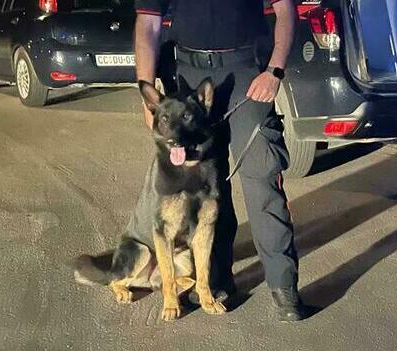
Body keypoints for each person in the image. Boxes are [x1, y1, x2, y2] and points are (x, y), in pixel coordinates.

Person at [129, 0, 307, 321]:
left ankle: (283, 285)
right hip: (187, 76)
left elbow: (285, 10)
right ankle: (216, 279)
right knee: (205, 188)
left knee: (262, 177)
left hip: (245, 73)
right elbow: (148, 22)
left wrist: (274, 71)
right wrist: (147, 95)